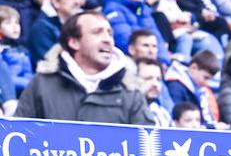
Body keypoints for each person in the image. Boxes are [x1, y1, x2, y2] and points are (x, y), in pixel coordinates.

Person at [17, 9, 151, 123]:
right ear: (74, 42)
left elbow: (146, 147)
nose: (107, 39)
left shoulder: (131, 91)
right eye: (97, 32)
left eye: (110, 33)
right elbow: (19, 136)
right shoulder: (42, 84)